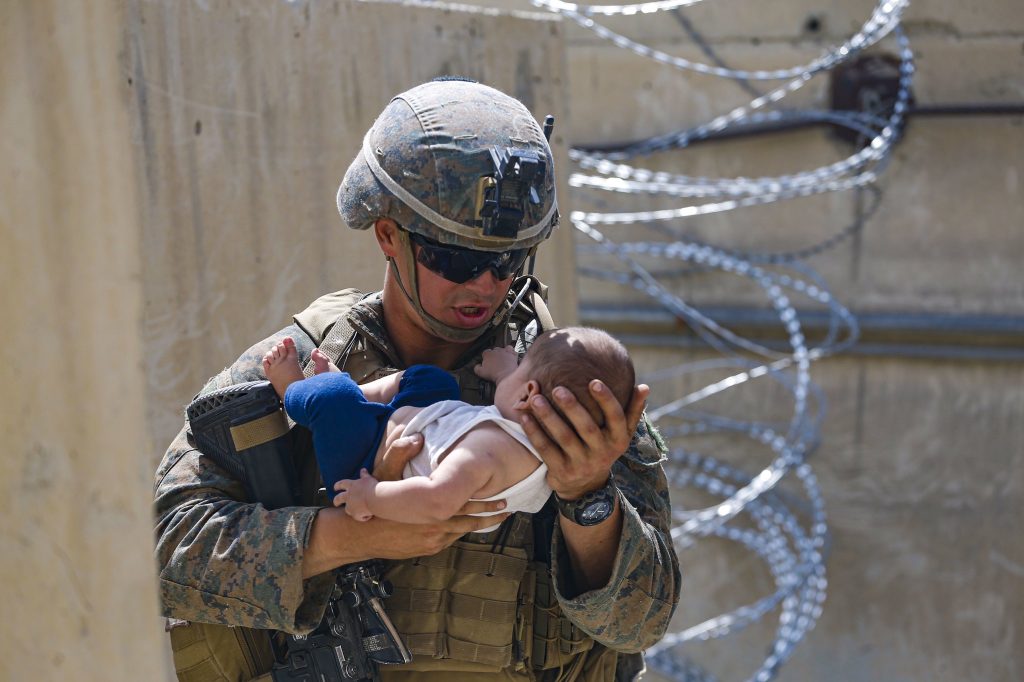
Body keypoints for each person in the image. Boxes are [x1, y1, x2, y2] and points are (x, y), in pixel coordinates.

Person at [154, 77, 680, 682]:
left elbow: (640, 624)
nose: (485, 285)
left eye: (506, 262)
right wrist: (352, 536)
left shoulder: (567, 391)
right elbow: (166, 553)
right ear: (388, 235)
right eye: (456, 259)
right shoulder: (303, 367)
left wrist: (587, 497)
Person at [261, 327, 636, 532]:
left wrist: (371, 496)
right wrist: (507, 371)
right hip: (422, 426)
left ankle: (294, 388)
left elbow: (438, 500)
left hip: (364, 463)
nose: (514, 368)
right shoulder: (541, 449)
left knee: (330, 399)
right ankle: (355, 395)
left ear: (529, 393)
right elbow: (517, 403)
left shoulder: (486, 452)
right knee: (432, 381)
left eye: (521, 367)